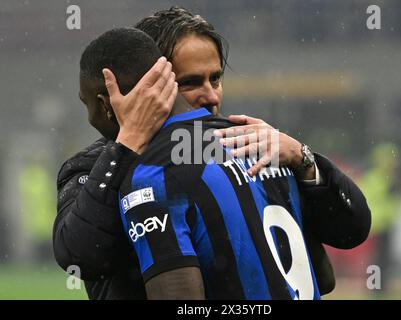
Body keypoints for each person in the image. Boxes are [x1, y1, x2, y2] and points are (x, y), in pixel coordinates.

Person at [54, 6, 370, 299]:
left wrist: (304, 159)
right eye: (190, 82)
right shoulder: (94, 165)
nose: (210, 95)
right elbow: (80, 256)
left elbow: (345, 239)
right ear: (148, 82)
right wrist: (126, 148)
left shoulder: (256, 145)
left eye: (215, 79)